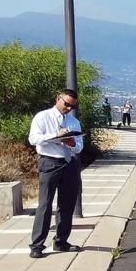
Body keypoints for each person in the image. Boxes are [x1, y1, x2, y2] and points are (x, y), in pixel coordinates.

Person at [27, 89, 84, 258]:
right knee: (45, 204)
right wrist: (56, 136)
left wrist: (71, 142)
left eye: (71, 106)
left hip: (69, 162)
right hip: (50, 161)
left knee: (67, 205)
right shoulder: (42, 117)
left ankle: (61, 241)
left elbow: (79, 146)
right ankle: (37, 245)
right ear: (58, 99)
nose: (68, 108)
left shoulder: (73, 122)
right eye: (66, 104)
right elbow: (34, 139)